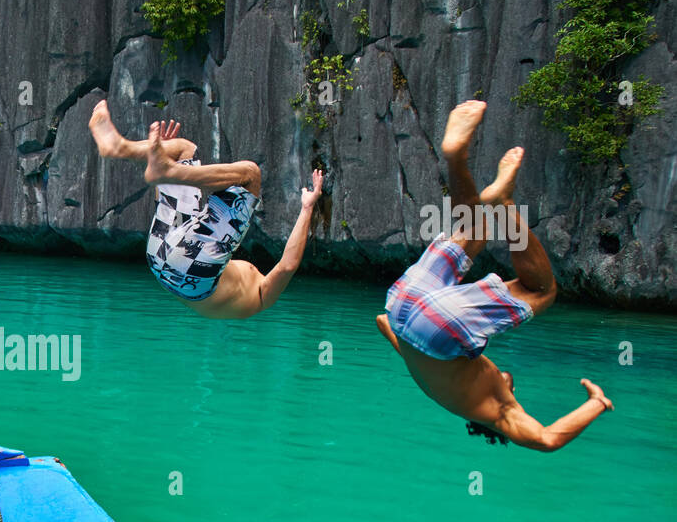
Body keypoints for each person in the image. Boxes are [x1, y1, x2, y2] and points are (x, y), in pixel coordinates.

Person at [376, 101, 612, 450]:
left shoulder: (500, 412)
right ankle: (456, 156)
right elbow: (383, 322)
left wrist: (597, 402)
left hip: (436, 331)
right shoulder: (440, 389)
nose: (511, 384)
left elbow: (547, 439)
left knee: (542, 292)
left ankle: (502, 201)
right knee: (474, 228)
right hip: (399, 309)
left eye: (512, 387)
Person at [88, 99, 322, 317]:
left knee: (250, 175)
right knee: (182, 150)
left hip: (191, 274)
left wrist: (307, 208)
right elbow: (178, 236)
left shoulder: (261, 298)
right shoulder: (236, 293)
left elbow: (288, 265)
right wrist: (164, 166)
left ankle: (167, 169)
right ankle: (119, 146)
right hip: (161, 258)